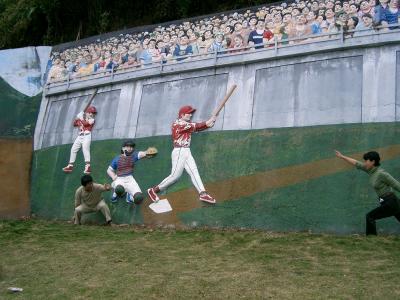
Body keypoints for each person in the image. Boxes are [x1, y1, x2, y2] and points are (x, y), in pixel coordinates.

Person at [147, 105, 217, 204]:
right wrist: (208, 122)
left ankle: (203, 194)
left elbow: (196, 128)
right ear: (182, 114)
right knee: (175, 177)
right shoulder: (178, 123)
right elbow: (196, 126)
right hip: (179, 151)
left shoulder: (185, 124)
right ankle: (153, 190)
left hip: (186, 151)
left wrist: (208, 124)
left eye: (191, 113)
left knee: (194, 171)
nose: (191, 115)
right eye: (189, 113)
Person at [335, 150, 400, 235]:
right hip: (384, 201)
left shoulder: (382, 174)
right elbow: (356, 163)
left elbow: (397, 185)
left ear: (373, 162)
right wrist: (342, 157)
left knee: (370, 216)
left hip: (391, 202)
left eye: (366, 161)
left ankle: (371, 239)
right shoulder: (370, 171)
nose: (365, 163)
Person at [107, 140, 157, 204]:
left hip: (130, 179)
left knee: (139, 198)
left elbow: (141, 154)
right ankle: (116, 193)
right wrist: (113, 176)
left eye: (131, 147)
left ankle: (129, 195)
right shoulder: (117, 159)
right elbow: (109, 170)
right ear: (123, 148)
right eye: (127, 146)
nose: (130, 148)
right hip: (119, 179)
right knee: (119, 189)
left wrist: (147, 153)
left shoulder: (134, 155)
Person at [63, 105, 97, 174]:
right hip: (80, 136)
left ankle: (88, 167)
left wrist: (81, 118)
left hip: (87, 136)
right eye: (90, 112)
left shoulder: (92, 120)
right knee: (73, 149)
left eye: (93, 113)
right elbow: (74, 124)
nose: (92, 114)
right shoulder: (82, 118)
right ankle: (70, 165)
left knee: (85, 150)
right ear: (87, 113)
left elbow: (85, 124)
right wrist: (77, 118)